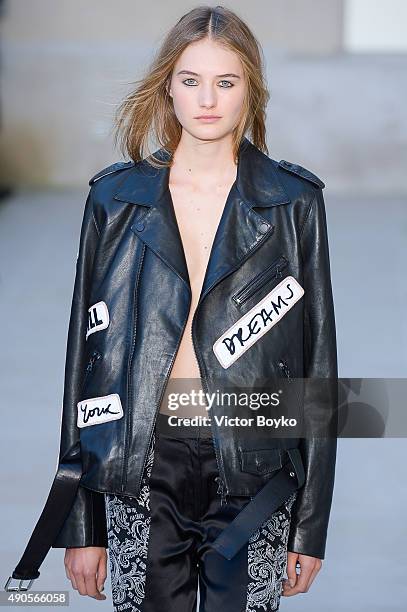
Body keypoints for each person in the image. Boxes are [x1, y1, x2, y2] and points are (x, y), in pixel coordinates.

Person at [49, 5, 337, 611]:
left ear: (250, 90)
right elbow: (85, 365)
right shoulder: (117, 201)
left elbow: (319, 366)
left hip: (256, 461)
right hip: (143, 466)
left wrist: (309, 526)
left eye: (226, 82)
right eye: (191, 80)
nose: (208, 99)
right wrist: (82, 523)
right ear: (167, 87)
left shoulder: (292, 203)